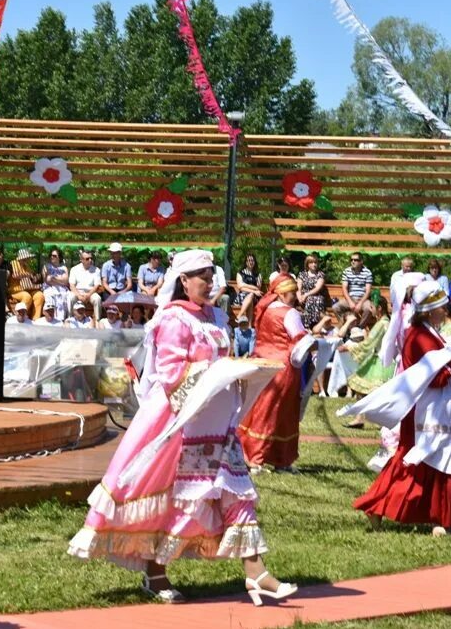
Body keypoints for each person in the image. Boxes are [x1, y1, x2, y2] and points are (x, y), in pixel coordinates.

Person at [68, 249, 297, 606]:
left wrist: (242, 372)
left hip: (217, 421)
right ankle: (155, 571)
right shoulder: (174, 319)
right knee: (170, 498)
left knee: (237, 493)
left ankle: (256, 572)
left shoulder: (216, 316)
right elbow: (172, 374)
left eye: (211, 275)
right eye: (200, 276)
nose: (208, 282)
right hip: (178, 420)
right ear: (183, 281)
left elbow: (222, 361)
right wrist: (221, 373)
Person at [342, 280, 451, 536]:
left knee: (422, 463)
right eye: (441, 307)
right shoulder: (420, 337)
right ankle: (440, 521)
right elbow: (435, 376)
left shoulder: (430, 333)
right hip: (426, 410)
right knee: (433, 461)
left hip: (434, 409)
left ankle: (422, 515)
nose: (446, 311)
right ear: (429, 310)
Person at [238, 274, 316, 473]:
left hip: (262, 361)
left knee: (260, 409)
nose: (295, 297)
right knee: (280, 413)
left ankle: (257, 455)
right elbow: (299, 342)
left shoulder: (264, 310)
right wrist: (315, 342)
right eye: (292, 293)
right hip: (283, 367)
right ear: (282, 294)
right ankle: (264, 458)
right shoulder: (290, 313)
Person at [346, 300, 394, 396]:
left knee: (370, 392)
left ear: (379, 308)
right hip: (386, 359)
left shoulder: (381, 324)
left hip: (380, 362)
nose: (370, 310)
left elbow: (369, 343)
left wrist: (350, 347)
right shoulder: (387, 322)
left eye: (372, 307)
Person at [337, 253, 374, 327]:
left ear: (361, 261)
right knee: (335, 307)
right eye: (351, 260)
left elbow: (368, 291)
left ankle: (360, 327)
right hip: (351, 298)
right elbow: (344, 288)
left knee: (368, 309)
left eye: (356, 260)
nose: (353, 261)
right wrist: (350, 302)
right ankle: (345, 326)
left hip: (363, 299)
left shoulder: (367, 272)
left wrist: (360, 303)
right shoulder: (346, 271)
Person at [10, 248, 45, 319]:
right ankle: (20, 318)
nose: (29, 259)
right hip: (16, 291)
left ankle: (35, 319)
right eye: (27, 258)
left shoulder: (28, 266)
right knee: (27, 297)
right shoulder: (14, 263)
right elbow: (16, 275)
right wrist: (28, 275)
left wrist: (35, 278)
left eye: (29, 258)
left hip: (27, 289)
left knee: (40, 295)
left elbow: (30, 282)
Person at [69, 250, 103, 321]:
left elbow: (96, 285)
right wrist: (79, 296)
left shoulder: (96, 270)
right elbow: (72, 285)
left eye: (91, 258)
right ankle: (70, 319)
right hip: (78, 292)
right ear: (81, 260)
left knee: (97, 299)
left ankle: (97, 320)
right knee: (70, 297)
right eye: (87, 259)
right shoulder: (74, 269)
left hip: (91, 292)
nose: (90, 260)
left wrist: (88, 295)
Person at [296, 254, 327, 330]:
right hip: (303, 297)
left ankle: (311, 325)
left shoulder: (320, 274)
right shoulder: (302, 274)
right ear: (307, 264)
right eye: (311, 262)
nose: (314, 264)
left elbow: (317, 288)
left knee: (312, 300)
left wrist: (306, 295)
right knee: (309, 300)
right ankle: (309, 326)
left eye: (315, 262)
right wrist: (299, 297)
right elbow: (298, 288)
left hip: (316, 296)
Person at [42, 248, 71, 321]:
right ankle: (52, 318)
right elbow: (47, 280)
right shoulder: (46, 266)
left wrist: (53, 278)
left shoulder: (64, 268)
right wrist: (60, 280)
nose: (52, 257)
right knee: (51, 294)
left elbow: (66, 281)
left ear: (59, 257)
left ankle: (64, 319)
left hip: (62, 289)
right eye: (51, 255)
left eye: (54, 256)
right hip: (49, 287)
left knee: (66, 296)